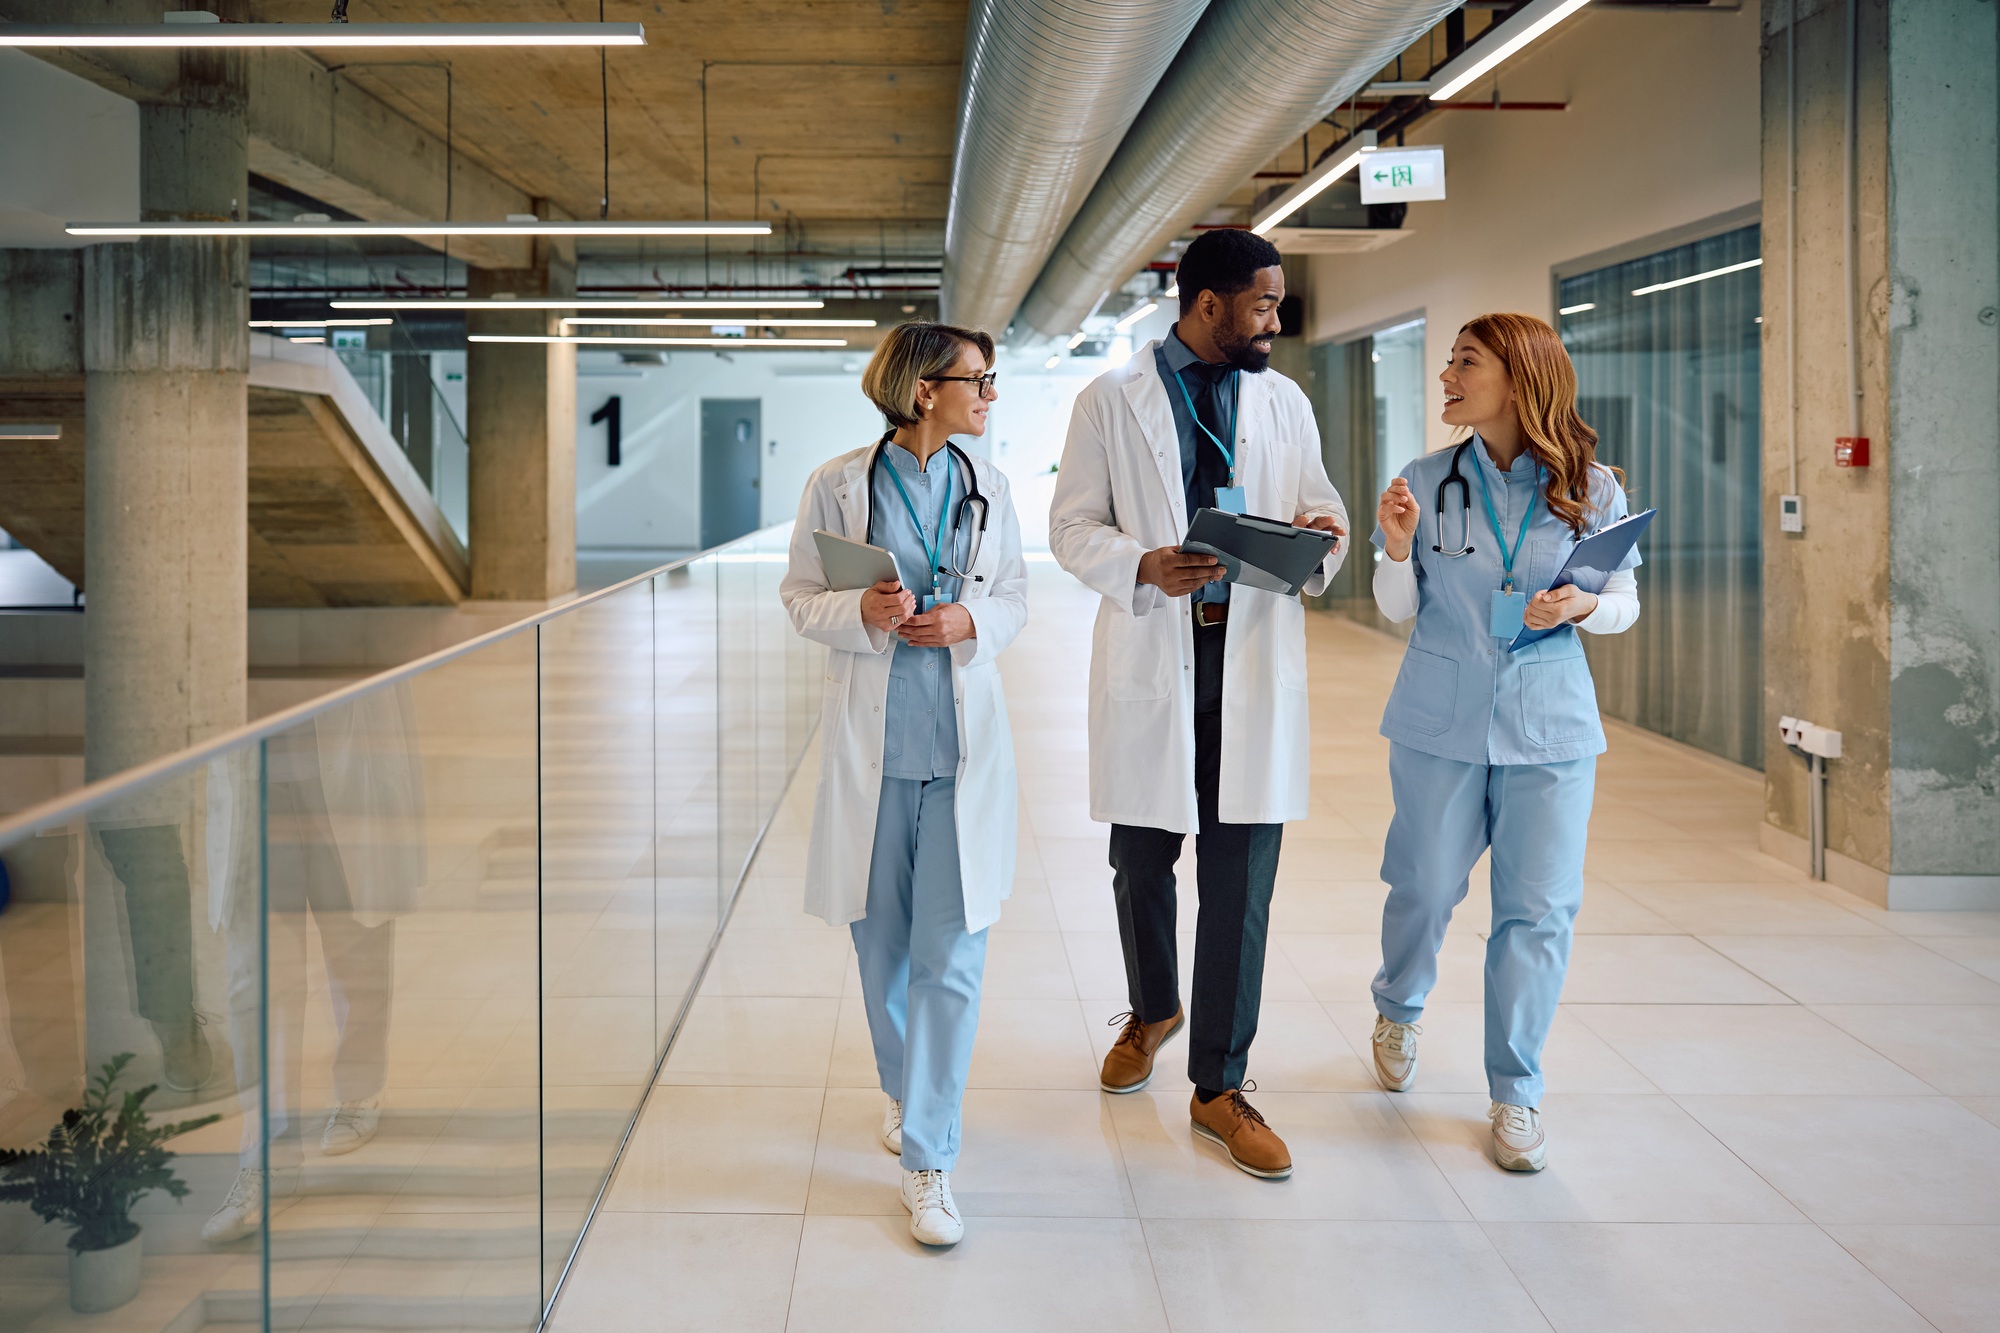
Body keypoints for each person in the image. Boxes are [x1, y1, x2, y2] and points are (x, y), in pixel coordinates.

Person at [1049, 228, 1346, 1180]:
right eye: (1262, 303)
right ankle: (1152, 1010)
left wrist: (1320, 538)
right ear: (1207, 303)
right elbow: (1070, 526)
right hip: (1154, 652)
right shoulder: (1110, 400)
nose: (1275, 318)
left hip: (1248, 660)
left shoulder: (1283, 398)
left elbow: (1323, 509)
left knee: (1241, 881)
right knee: (1141, 860)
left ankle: (1220, 1085)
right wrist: (1140, 563)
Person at [1368, 312, 1641, 1172]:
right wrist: (1398, 548)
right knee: (1424, 883)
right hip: (1439, 719)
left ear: (1519, 378)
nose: (1447, 375)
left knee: (1539, 911)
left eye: (1465, 361)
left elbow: (1625, 599)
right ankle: (1399, 1005)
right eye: (1448, 360)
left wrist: (1584, 605)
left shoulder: (1593, 488)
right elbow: (1396, 605)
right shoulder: (1423, 477)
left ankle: (1516, 1090)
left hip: (1550, 724)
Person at [780, 321, 1028, 1246]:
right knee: (880, 951)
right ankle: (902, 1087)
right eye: (979, 379)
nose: (989, 394)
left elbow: (1013, 599)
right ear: (926, 389)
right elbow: (801, 596)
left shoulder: (989, 486)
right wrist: (863, 610)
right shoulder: (838, 485)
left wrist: (969, 619)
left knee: (951, 958)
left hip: (960, 756)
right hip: (873, 760)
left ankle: (930, 1156)